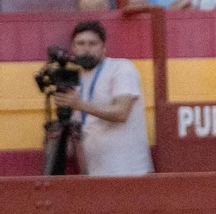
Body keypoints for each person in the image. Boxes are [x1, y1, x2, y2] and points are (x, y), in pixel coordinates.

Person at [50, 20, 153, 176]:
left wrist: (80, 105)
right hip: (96, 174)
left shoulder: (121, 68)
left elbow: (121, 113)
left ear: (104, 47)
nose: (86, 49)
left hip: (130, 171)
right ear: (73, 49)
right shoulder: (77, 82)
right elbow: (79, 136)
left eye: (93, 44)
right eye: (81, 44)